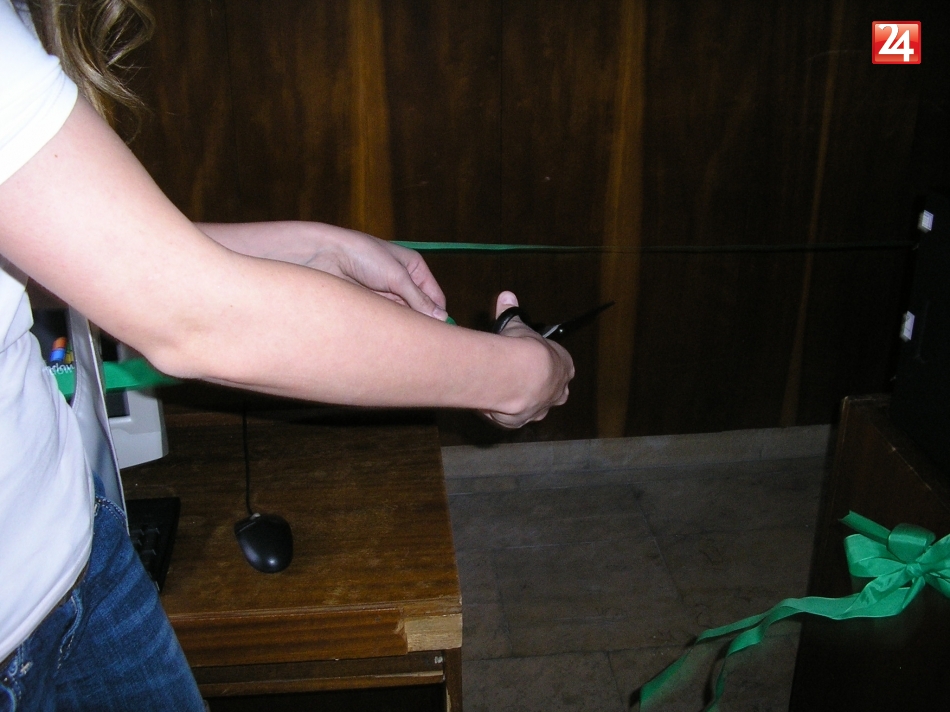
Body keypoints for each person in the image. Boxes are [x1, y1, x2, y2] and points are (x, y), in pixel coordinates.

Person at [0, 0, 574, 709]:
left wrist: (315, 247)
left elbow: (83, 251)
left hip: (74, 547)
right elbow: (195, 318)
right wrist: (517, 373)